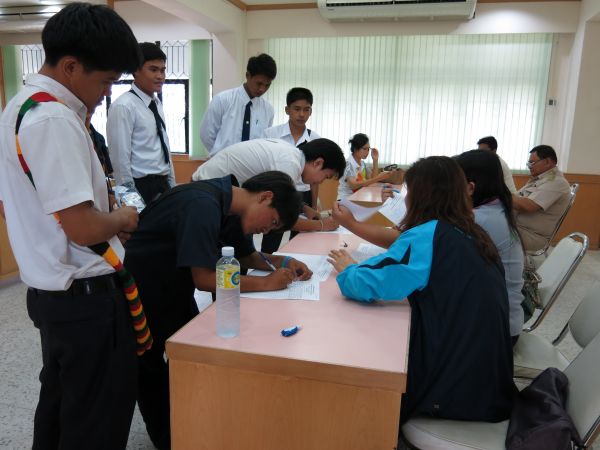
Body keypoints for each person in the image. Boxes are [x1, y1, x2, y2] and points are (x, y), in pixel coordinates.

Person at [0, 4, 141, 449]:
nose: (105, 93)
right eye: (105, 81)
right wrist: (121, 218)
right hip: (87, 303)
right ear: (70, 66)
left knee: (63, 411)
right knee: (96, 422)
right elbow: (82, 228)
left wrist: (103, 217)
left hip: (56, 298)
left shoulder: (19, 107)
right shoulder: (54, 119)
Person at [124, 171, 312, 449]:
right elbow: (204, 278)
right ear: (265, 197)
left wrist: (284, 261)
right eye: (272, 222)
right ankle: (169, 440)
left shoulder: (231, 204)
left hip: (173, 288)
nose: (266, 230)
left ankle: (193, 427)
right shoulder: (202, 204)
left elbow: (246, 256)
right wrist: (266, 284)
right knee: (153, 372)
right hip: (143, 294)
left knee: (189, 360)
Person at [328, 156, 516, 424]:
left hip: (455, 390)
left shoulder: (429, 235)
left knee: (362, 357)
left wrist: (348, 269)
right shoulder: (472, 231)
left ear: (419, 196)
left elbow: (366, 283)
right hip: (487, 381)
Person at [191, 137, 346, 252]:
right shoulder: (290, 165)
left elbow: (281, 198)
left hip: (212, 187)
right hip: (206, 192)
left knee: (239, 252)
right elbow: (283, 218)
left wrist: (305, 208)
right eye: (325, 177)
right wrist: (321, 225)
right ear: (317, 163)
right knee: (230, 255)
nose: (320, 182)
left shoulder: (291, 155)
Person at [455, 149, 525, 344]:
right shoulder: (496, 208)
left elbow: (424, 246)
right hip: (502, 319)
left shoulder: (481, 219)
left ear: (470, 187)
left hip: (496, 331)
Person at [107, 42, 175, 204]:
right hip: (141, 187)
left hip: (162, 184)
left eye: (162, 70)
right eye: (153, 69)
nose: (160, 76)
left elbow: (163, 148)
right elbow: (120, 162)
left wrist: (172, 186)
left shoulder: (156, 103)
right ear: (136, 70)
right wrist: (133, 204)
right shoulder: (124, 106)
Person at [200, 53, 277, 156]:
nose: (262, 89)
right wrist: (221, 156)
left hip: (253, 164)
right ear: (248, 76)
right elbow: (206, 135)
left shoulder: (268, 110)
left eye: (267, 85)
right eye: (259, 83)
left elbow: (264, 142)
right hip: (223, 163)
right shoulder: (222, 100)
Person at [263, 87, 321, 213]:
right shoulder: (270, 134)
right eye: (297, 109)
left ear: (311, 111)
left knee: (304, 225)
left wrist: (314, 207)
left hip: (304, 194)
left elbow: (315, 179)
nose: (302, 114)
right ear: (287, 110)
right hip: (275, 192)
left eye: (306, 109)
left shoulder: (315, 139)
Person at [513, 145, 571, 251]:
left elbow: (528, 206)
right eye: (528, 163)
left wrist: (501, 194)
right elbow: (517, 198)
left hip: (530, 235)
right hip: (517, 228)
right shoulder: (539, 180)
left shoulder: (556, 182)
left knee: (488, 230)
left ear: (547, 162)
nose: (529, 166)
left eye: (532, 162)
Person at [337, 133, 391, 200]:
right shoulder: (348, 164)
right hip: (346, 200)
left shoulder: (363, 164)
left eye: (368, 149)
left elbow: (372, 179)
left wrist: (375, 160)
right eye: (364, 149)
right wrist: (379, 178)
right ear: (355, 148)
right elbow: (353, 185)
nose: (367, 152)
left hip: (357, 198)